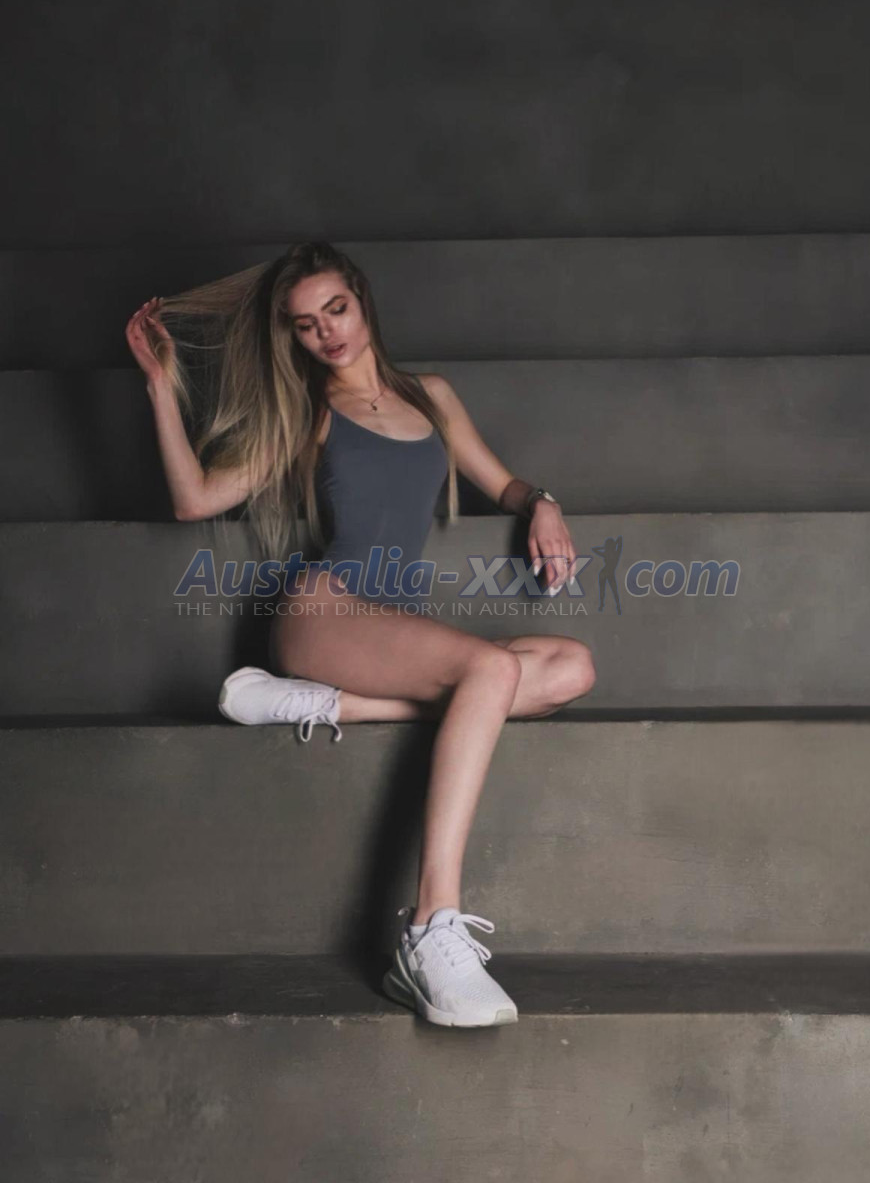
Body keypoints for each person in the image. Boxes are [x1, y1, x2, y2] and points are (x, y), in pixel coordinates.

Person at [125, 241, 596, 1028]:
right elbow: (194, 500)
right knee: (489, 673)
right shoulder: (309, 412)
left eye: (335, 309)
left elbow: (503, 483)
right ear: (292, 335)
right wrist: (159, 385)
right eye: (305, 324)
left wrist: (542, 502)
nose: (327, 333)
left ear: (361, 299)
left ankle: (322, 704)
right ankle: (430, 929)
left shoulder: (431, 397)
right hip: (323, 613)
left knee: (571, 667)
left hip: (393, 633)